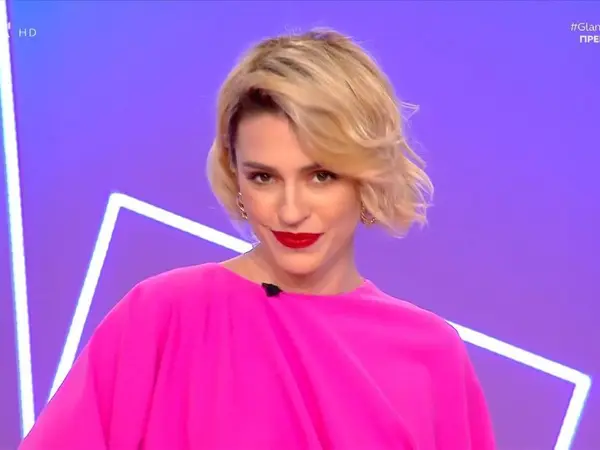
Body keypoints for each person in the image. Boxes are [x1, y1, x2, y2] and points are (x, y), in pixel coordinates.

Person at [19, 29, 495, 449]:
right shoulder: (163, 316)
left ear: (366, 178)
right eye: (264, 177)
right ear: (235, 176)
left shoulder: (431, 355)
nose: (290, 211)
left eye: (321, 176)